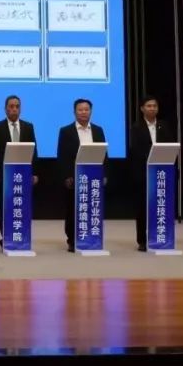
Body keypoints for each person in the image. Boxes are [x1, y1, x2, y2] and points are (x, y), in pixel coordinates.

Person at [56, 98, 109, 252]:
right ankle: (72, 240)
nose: (84, 112)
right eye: (80, 110)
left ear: (91, 111)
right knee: (72, 210)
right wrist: (66, 176)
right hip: (75, 177)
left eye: (86, 109)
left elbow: (104, 154)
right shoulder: (66, 131)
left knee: (93, 208)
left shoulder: (98, 130)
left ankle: (93, 238)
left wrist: (105, 174)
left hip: (94, 176)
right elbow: (62, 155)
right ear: (74, 112)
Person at [0, 95, 38, 246]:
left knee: (22, 205)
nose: (14, 109)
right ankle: (6, 236)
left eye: (17, 106)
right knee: (5, 206)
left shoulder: (28, 127)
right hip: (5, 174)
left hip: (24, 173)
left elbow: (34, 151)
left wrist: (35, 173)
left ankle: (22, 234)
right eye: (11, 106)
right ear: (5, 109)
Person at [128, 95, 175, 251]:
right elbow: (135, 150)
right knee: (143, 207)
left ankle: (162, 236)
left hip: (162, 172)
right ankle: (142, 240)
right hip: (143, 172)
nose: (152, 108)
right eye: (149, 106)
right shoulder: (136, 127)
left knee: (161, 205)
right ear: (142, 109)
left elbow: (170, 146)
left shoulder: (164, 126)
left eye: (154, 106)